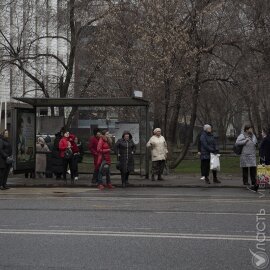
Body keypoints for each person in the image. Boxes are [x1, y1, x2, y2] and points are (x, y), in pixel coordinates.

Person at [235, 125, 257, 191]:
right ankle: (245, 181)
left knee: (253, 168)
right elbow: (237, 142)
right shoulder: (242, 135)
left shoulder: (253, 135)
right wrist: (245, 141)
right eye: (250, 129)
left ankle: (254, 181)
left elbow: (255, 142)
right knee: (245, 169)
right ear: (246, 130)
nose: (251, 130)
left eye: (251, 129)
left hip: (252, 155)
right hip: (245, 155)